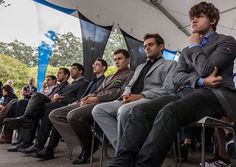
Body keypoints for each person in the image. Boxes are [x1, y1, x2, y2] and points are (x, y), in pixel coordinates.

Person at [108, 2, 236, 167]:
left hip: (215, 95)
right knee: (138, 111)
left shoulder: (226, 41)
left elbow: (206, 68)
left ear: (212, 20)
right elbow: (176, 78)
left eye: (199, 17)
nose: (193, 21)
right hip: (185, 93)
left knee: (169, 112)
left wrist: (195, 46)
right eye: (192, 18)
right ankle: (121, 162)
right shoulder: (186, 50)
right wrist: (200, 80)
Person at [92, 33, 177, 151]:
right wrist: (126, 94)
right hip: (129, 99)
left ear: (161, 46)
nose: (147, 48)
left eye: (151, 45)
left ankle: (124, 154)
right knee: (98, 110)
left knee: (123, 111)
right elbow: (129, 85)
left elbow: (168, 89)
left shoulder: (171, 64)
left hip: (150, 99)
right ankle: (123, 149)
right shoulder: (140, 67)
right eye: (145, 46)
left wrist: (141, 95)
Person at [49, 49, 133, 164]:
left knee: (73, 116)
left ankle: (87, 147)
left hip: (104, 103)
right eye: (115, 59)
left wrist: (97, 98)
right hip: (91, 101)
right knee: (55, 114)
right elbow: (98, 90)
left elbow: (119, 92)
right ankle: (89, 141)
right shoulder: (109, 77)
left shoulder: (131, 74)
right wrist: (86, 98)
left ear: (128, 60)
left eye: (120, 58)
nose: (117, 61)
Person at [33, 58, 108, 160]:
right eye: (94, 64)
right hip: (78, 103)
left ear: (104, 67)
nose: (94, 66)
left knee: (53, 112)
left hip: (87, 105)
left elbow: (94, 95)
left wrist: (66, 100)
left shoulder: (102, 80)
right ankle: (42, 144)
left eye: (97, 65)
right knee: (54, 113)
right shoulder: (92, 82)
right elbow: (83, 96)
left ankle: (47, 146)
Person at [4, 64, 89, 151]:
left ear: (80, 71)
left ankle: (29, 137)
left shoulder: (84, 83)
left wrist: (61, 98)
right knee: (22, 103)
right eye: (71, 69)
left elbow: (79, 99)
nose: (71, 70)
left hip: (62, 104)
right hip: (54, 101)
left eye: (74, 69)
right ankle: (24, 140)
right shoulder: (70, 84)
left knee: (37, 101)